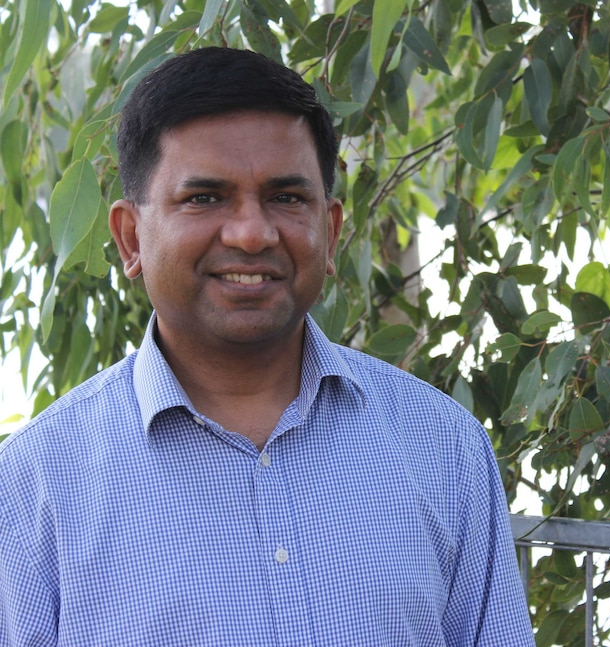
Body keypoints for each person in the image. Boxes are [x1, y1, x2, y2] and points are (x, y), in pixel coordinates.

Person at [0, 48, 534, 645]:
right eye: (204, 198)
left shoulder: (442, 447)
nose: (252, 233)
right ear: (129, 238)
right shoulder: (37, 482)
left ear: (330, 233)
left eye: (286, 197)